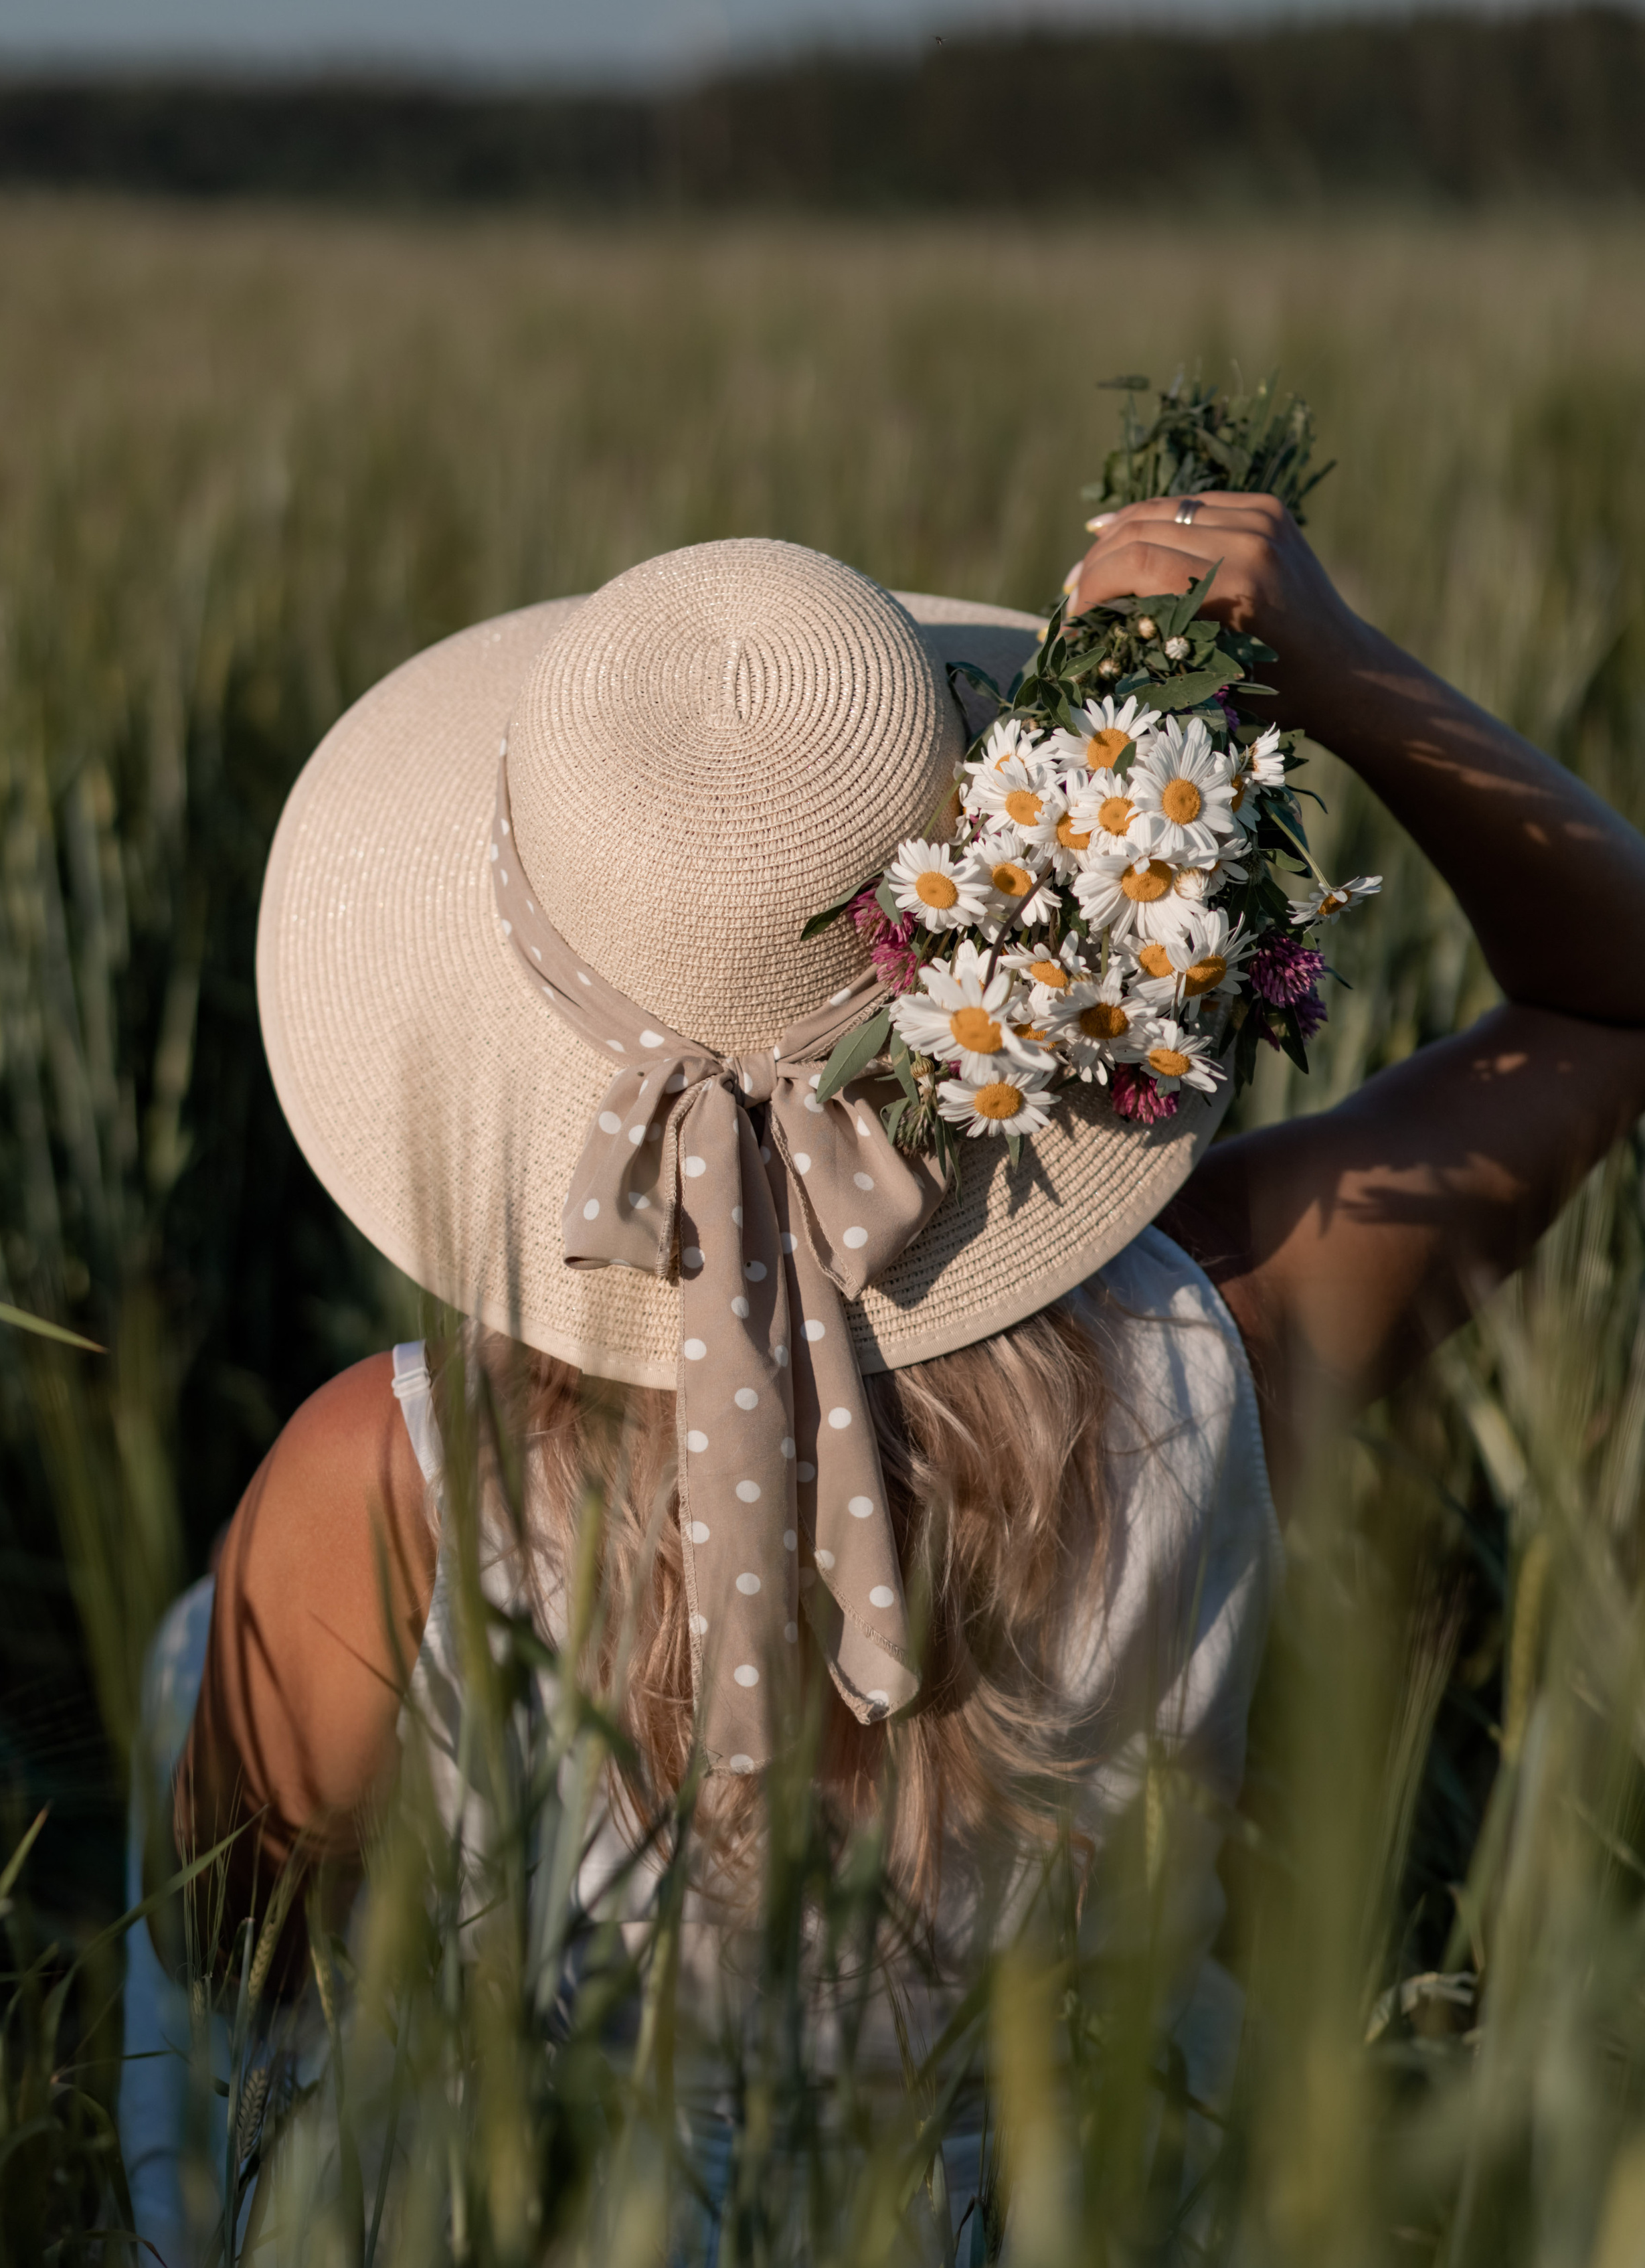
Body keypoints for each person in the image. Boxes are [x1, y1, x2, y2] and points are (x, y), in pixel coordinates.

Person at [136, 507, 1645, 2178]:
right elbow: (1607, 1000)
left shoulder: (387, 1475)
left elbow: (235, 1963)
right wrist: (1336, 676)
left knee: (199, 1648)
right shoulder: (1234, 1318)